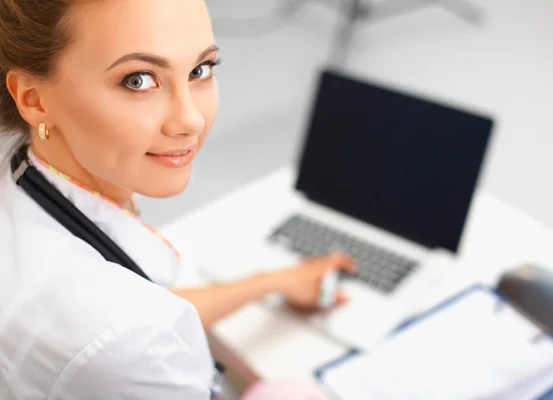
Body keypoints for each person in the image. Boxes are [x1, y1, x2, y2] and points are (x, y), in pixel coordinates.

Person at [0, 0, 356, 398]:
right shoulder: (125, 341)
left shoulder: (20, 181)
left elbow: (151, 315)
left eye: (200, 70)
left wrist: (272, 282)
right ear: (33, 99)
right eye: (138, 80)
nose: (191, 120)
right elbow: (130, 334)